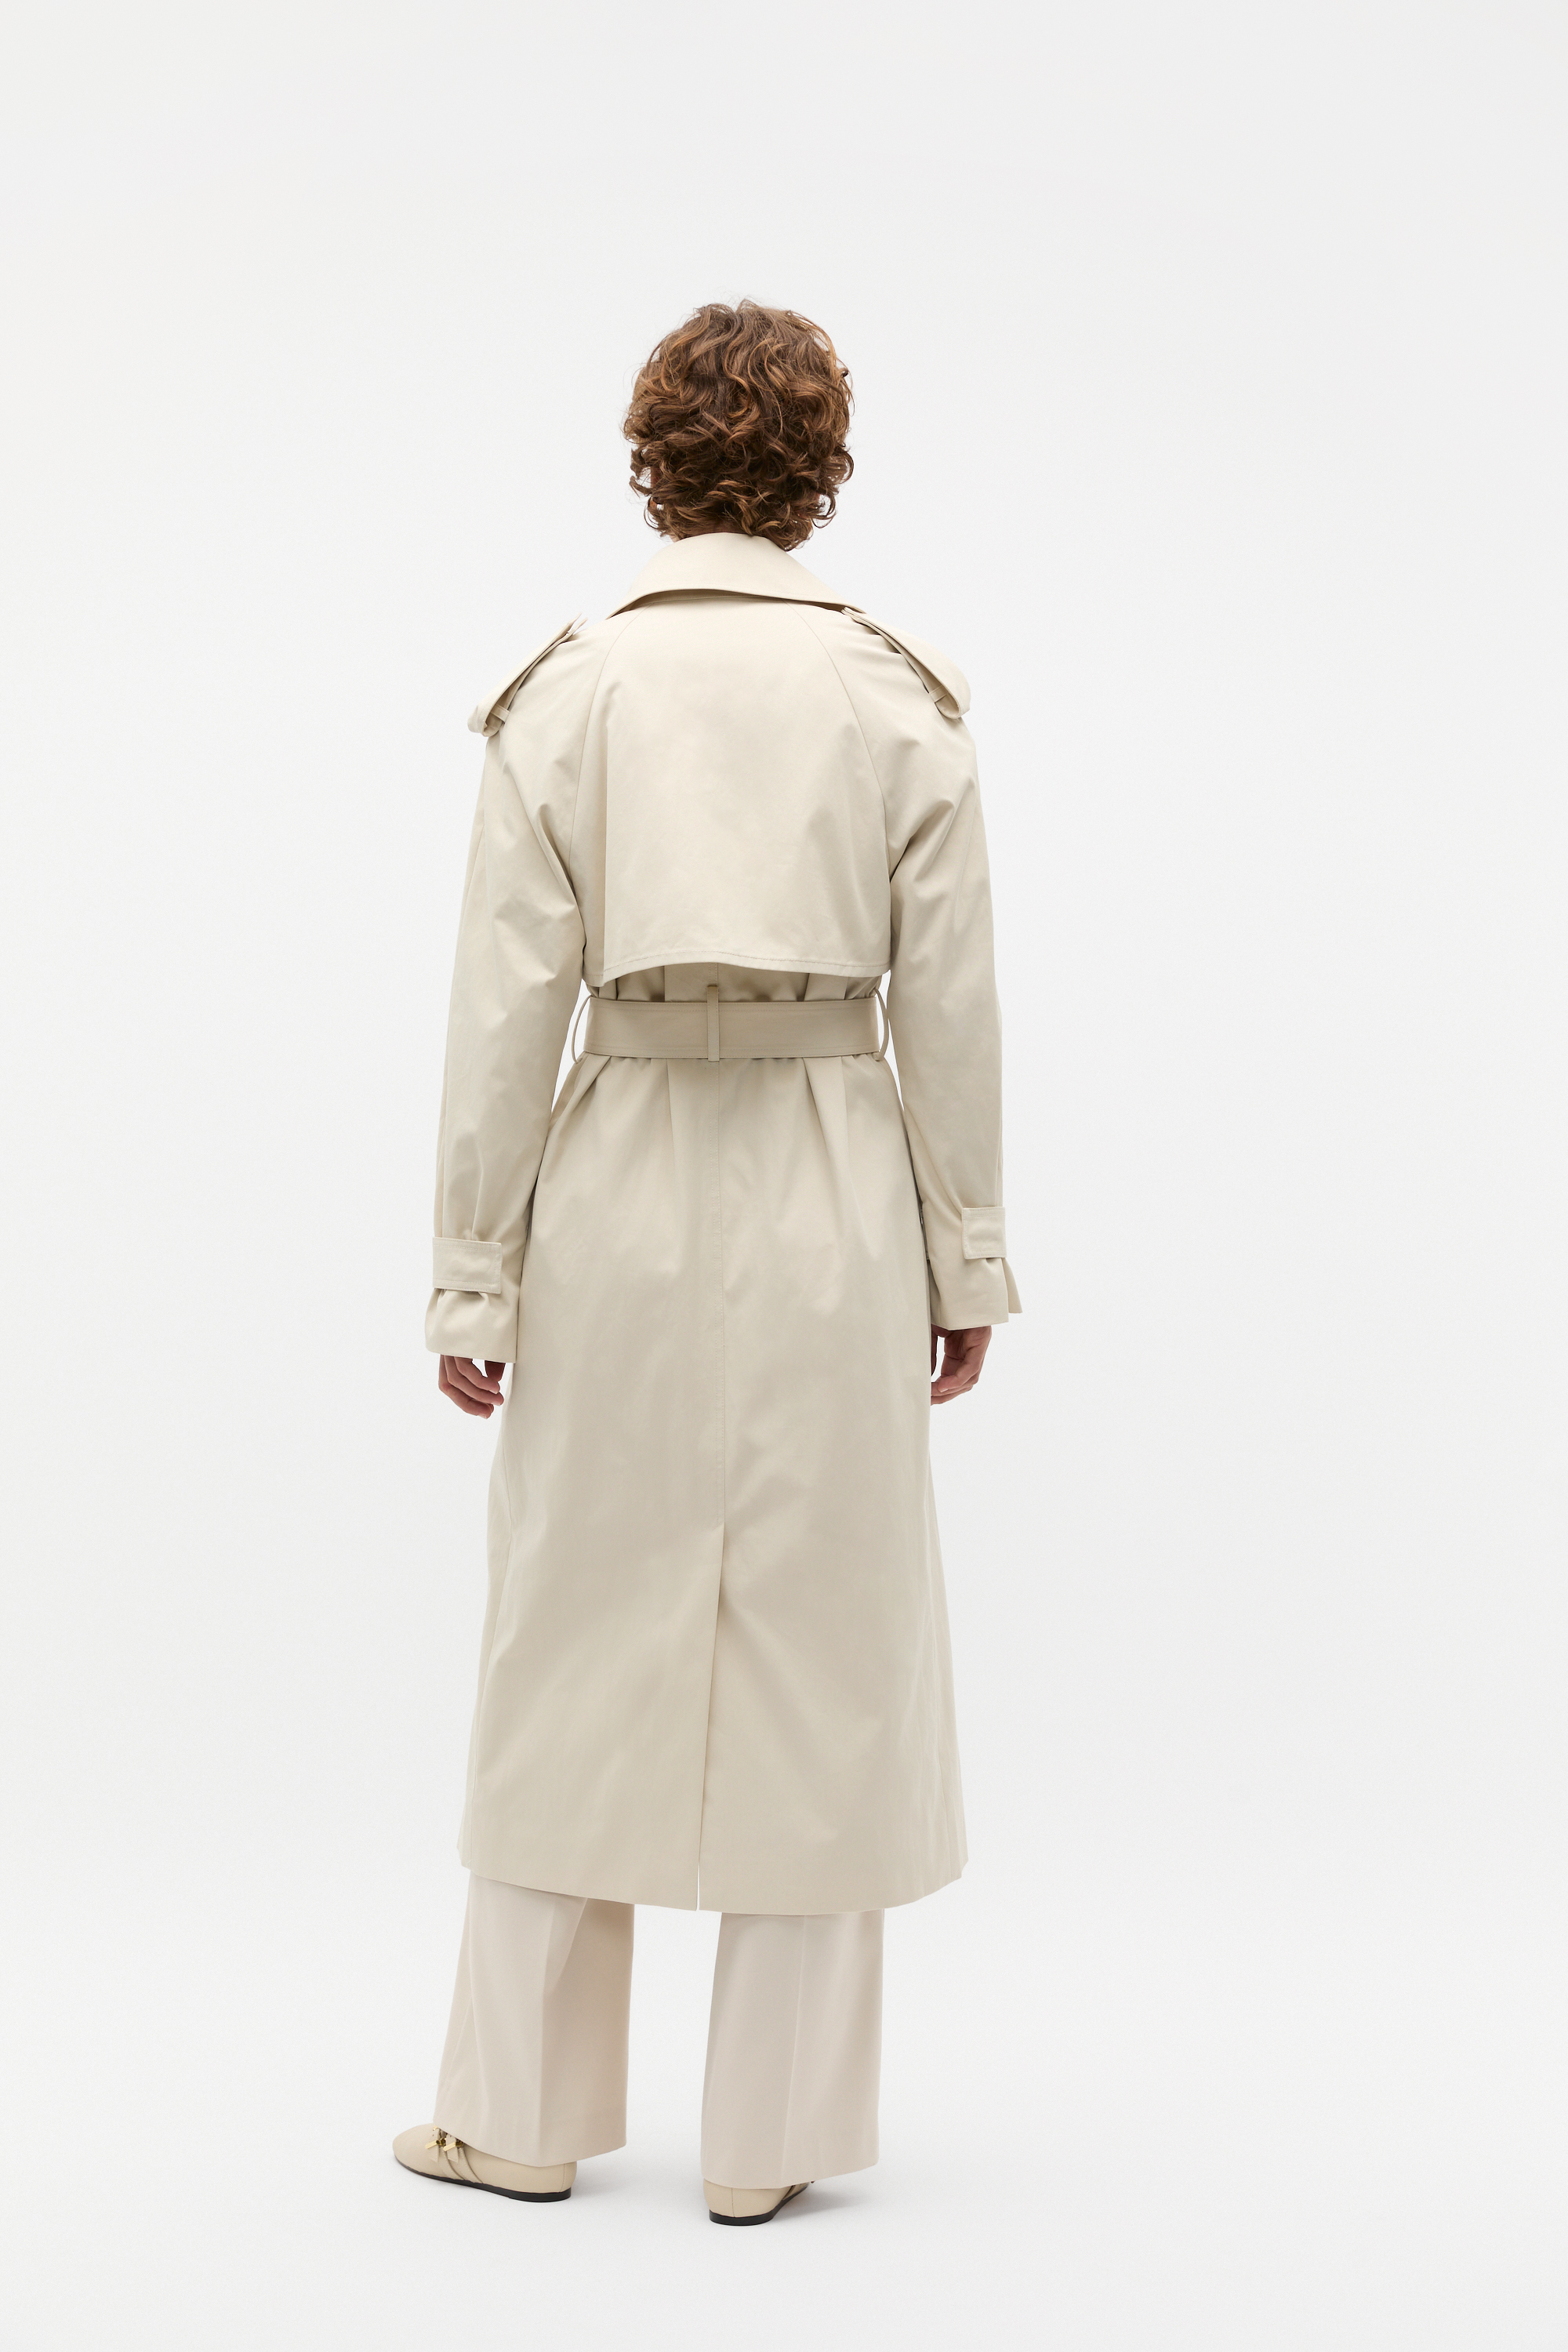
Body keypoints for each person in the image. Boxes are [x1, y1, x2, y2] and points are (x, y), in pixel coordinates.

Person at [394, 299, 1019, 2225]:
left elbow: (504, 1010)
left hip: (620, 1173)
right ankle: (770, 2146)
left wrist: (476, 1273)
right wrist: (963, 1259)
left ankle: (519, 2117)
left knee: (565, 1632)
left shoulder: (570, 693)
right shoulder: (897, 698)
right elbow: (953, 1007)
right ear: (820, 477)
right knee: (824, 1646)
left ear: (651, 464)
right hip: (838, 1173)